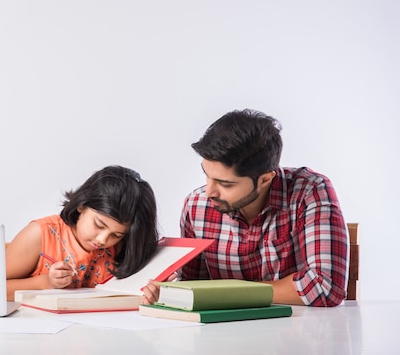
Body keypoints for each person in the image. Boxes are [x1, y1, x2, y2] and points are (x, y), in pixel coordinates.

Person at [142, 109, 349, 307]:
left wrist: (228, 294)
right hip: (221, 336)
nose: (210, 192)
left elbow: (326, 286)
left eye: (226, 184)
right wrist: (165, 292)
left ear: (266, 179)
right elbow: (193, 290)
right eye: (207, 175)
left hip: (296, 333)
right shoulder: (196, 206)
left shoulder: (309, 192)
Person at [5, 165, 160, 301]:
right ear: (82, 205)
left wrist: (148, 295)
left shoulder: (121, 247)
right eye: (99, 225)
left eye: (116, 235)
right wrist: (45, 283)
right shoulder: (40, 234)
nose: (103, 240)